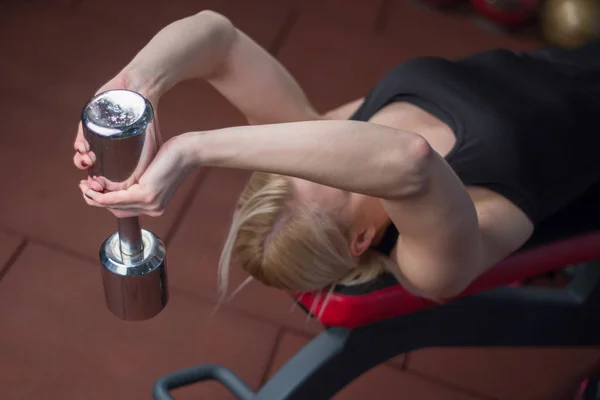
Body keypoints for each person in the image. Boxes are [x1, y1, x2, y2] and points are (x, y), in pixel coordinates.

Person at [73, 10, 600, 301]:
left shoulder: (317, 142)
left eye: (302, 160)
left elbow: (219, 39)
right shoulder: (430, 267)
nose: (320, 150)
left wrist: (135, 86)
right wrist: (193, 149)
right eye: (335, 175)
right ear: (362, 239)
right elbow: (409, 161)